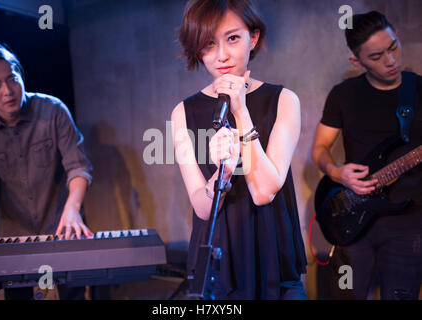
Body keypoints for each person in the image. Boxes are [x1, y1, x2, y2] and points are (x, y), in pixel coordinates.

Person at [172, 0, 307, 299]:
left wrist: (241, 112)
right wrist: (223, 171)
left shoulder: (283, 100)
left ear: (253, 37)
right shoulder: (183, 112)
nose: (221, 55)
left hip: (274, 256)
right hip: (219, 265)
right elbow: (202, 207)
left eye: (232, 38)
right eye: (208, 43)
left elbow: (264, 191)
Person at [311, 11, 422, 300]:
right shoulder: (343, 94)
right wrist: (337, 173)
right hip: (353, 219)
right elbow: (319, 149)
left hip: (408, 225)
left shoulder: (419, 89)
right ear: (356, 61)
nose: (391, 60)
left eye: (393, 47)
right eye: (376, 56)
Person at [0, 42, 93, 299]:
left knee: (71, 294)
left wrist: (73, 209)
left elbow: (78, 166)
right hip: (14, 234)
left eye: (12, 79)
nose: (8, 91)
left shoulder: (53, 110)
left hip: (63, 226)